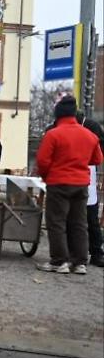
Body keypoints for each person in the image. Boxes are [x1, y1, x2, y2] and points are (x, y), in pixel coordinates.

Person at [34, 96, 103, 275]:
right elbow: (97, 159)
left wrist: (46, 175)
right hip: (81, 185)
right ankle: (80, 263)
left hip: (59, 183)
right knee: (79, 223)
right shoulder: (89, 135)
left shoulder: (53, 134)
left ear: (58, 114)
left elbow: (42, 161)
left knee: (57, 222)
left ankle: (59, 261)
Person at [76, 112, 104, 268]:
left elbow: (100, 152)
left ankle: (96, 252)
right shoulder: (59, 125)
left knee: (92, 217)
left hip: (89, 174)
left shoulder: (92, 127)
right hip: (71, 175)